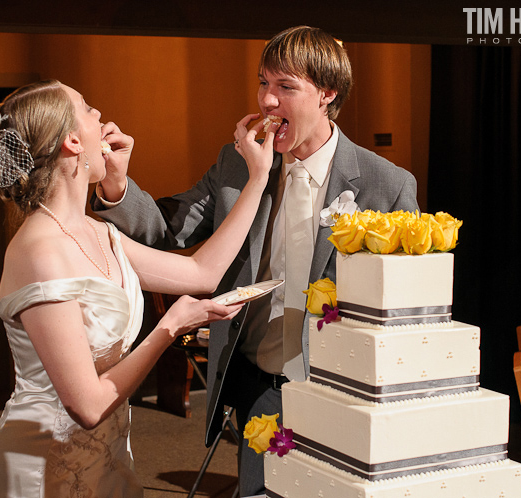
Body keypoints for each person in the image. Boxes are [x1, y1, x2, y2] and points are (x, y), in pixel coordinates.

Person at [91, 25, 419, 495]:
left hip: (344, 387)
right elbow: (168, 229)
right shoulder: (236, 164)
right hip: (261, 381)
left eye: (285, 87)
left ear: (327, 93)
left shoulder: (386, 184)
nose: (267, 100)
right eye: (263, 83)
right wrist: (117, 186)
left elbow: (401, 303)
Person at [0, 79, 275, 497]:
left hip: (107, 459)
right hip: (42, 468)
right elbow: (86, 405)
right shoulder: (39, 252)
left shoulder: (100, 232)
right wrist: (169, 328)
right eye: (88, 108)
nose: (101, 118)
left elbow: (203, 273)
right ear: (72, 141)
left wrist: (257, 178)